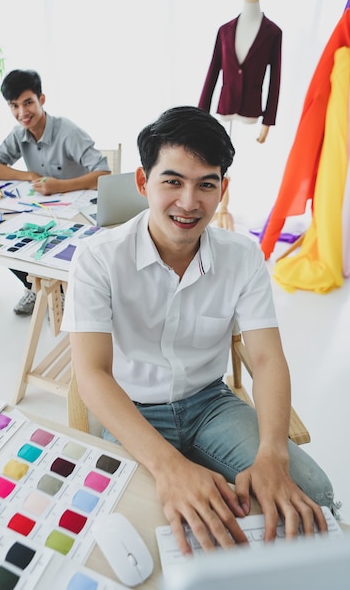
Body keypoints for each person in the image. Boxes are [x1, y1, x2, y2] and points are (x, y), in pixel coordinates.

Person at [61, 106, 338, 554]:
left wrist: (272, 453)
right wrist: (168, 467)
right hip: (134, 409)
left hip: (211, 403)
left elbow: (267, 358)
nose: (189, 202)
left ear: (222, 189)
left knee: (315, 502)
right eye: (172, 181)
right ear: (142, 182)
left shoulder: (242, 258)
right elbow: (91, 373)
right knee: (152, 534)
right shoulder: (97, 259)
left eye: (206, 184)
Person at [0, 69, 110, 315]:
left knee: (63, 251)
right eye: (14, 106)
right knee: (4, 236)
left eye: (28, 102)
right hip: (44, 210)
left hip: (78, 212)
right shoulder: (19, 133)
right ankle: (33, 287)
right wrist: (28, 175)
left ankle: (60, 293)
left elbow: (104, 175)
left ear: (41, 99)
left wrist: (60, 185)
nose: (22, 113)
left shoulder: (68, 132)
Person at [198, 0, 282, 144]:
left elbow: (275, 79)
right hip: (225, 107)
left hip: (251, 111)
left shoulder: (273, 32)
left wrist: (268, 121)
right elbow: (213, 71)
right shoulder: (224, 30)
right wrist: (200, 113)